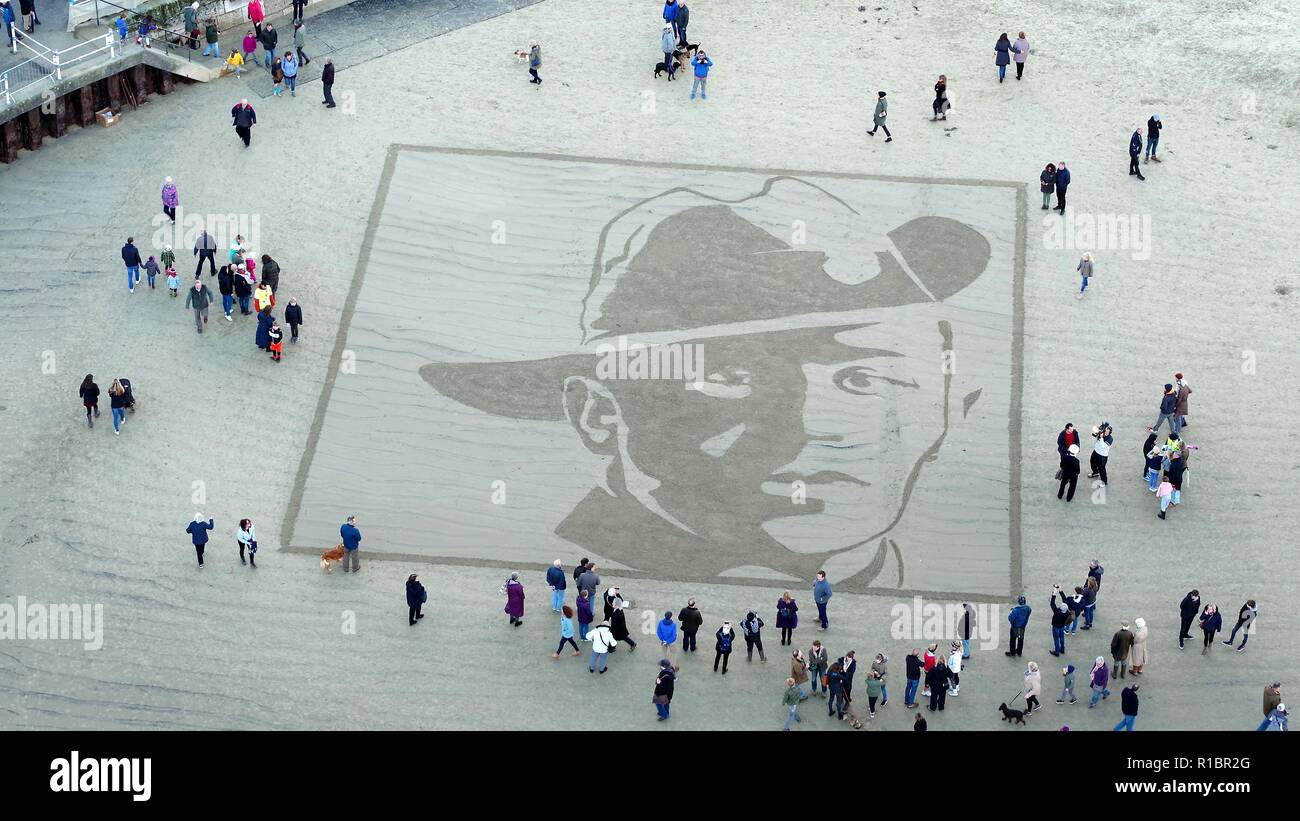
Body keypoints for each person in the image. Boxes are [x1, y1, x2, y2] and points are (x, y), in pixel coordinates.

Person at [1049, 587, 1071, 656]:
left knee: (1056, 639)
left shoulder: (1057, 612)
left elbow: (1052, 604)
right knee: (1062, 637)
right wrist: (1061, 591)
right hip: (1061, 626)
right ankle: (1062, 649)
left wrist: (1054, 594)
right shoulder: (1067, 612)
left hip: (1056, 626)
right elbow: (1065, 601)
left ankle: (1057, 651)